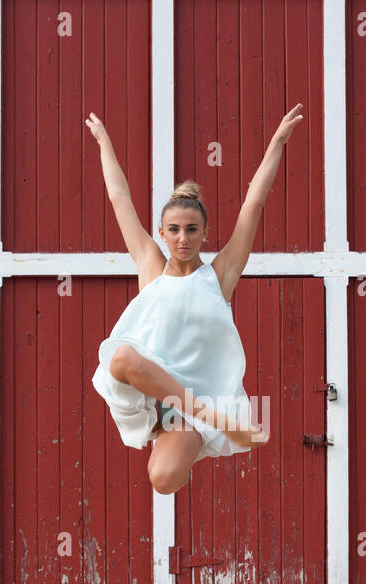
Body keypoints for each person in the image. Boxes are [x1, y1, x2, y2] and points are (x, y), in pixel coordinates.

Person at [86, 104, 305, 494]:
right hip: (146, 396)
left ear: (205, 232)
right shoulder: (151, 266)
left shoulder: (219, 277)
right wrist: (104, 141)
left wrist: (277, 143)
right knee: (119, 356)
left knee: (163, 480)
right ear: (162, 232)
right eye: (174, 230)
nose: (182, 238)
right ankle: (215, 418)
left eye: (192, 229)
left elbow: (253, 204)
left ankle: (204, 419)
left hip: (186, 410)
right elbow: (119, 197)